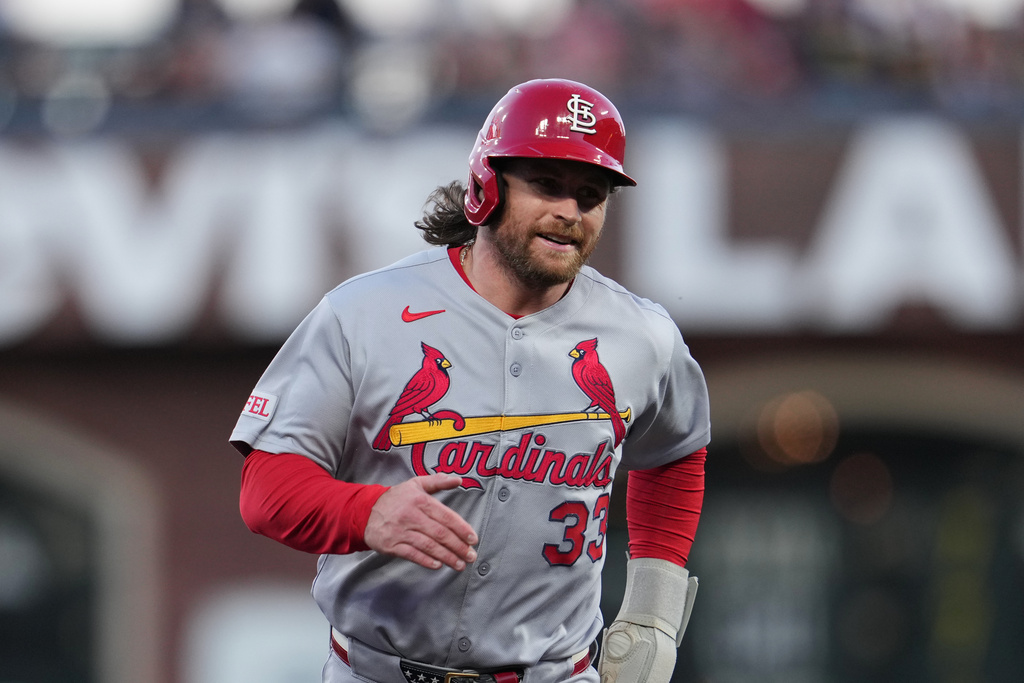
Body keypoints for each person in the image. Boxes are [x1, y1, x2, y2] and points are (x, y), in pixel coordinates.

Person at [230, 78, 711, 683]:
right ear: (488, 186)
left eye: (590, 195)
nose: (569, 211)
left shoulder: (642, 336)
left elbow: (677, 451)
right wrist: (365, 513)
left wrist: (652, 613)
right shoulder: (365, 312)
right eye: (547, 185)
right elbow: (266, 489)